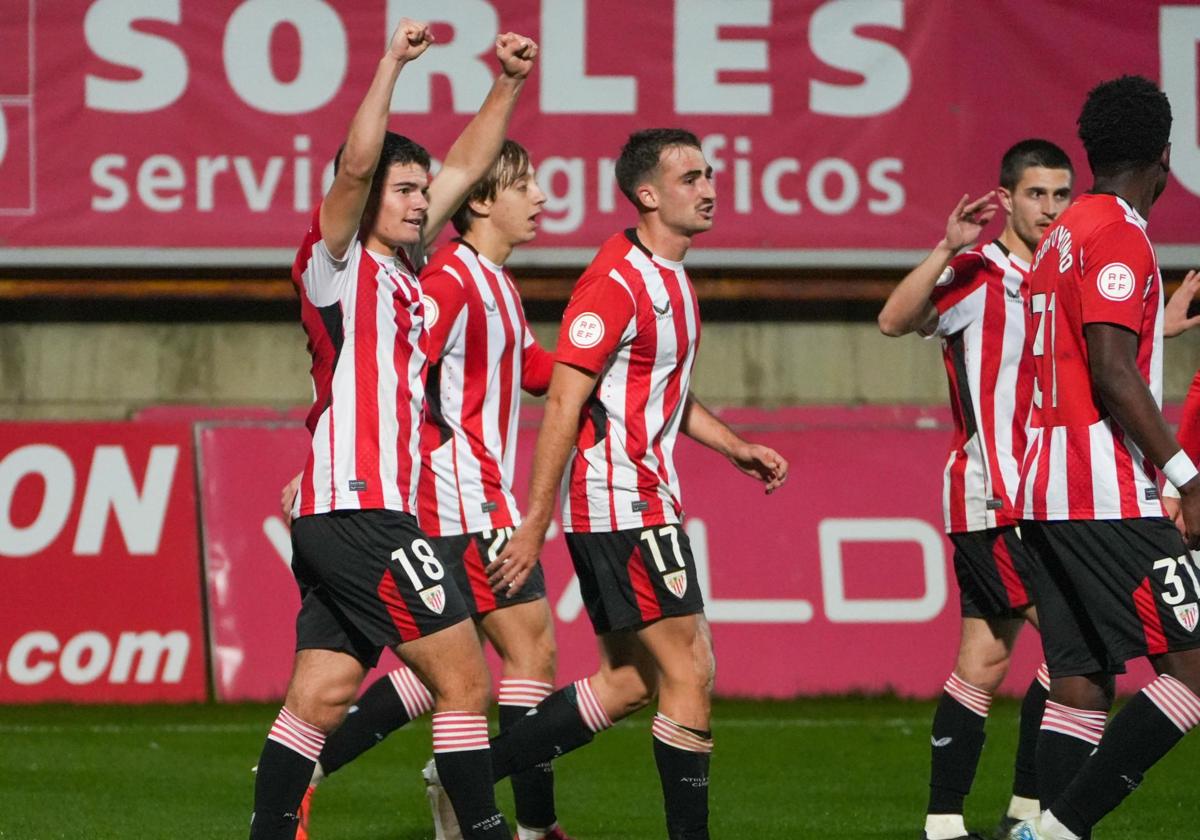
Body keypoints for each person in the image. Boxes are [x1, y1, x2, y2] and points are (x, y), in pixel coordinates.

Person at [249, 19, 538, 840]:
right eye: (405, 192)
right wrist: (391, 65)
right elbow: (355, 166)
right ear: (370, 199)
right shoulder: (337, 264)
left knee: (321, 698)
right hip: (362, 512)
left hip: (349, 514)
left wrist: (507, 83)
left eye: (422, 193)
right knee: (464, 683)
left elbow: (467, 165)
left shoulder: (408, 269)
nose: (422, 202)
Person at [461, 128, 789, 840]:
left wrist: (734, 446)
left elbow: (661, 390)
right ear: (647, 195)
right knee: (692, 667)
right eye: (690, 178)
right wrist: (535, 518)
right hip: (620, 501)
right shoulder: (614, 283)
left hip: (641, 497)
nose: (708, 189)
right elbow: (565, 400)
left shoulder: (670, 275)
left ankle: (466, 778)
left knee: (631, 682)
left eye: (709, 175)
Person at [293, 141, 573, 840]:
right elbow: (395, 369)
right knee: (522, 652)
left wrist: (613, 359)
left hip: (475, 497)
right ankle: (518, 822)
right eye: (525, 184)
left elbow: (541, 370)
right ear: (480, 199)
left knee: (450, 665)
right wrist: (327, 455)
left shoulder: (497, 283)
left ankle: (307, 768)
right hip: (454, 497)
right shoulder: (447, 278)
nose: (540, 196)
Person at [1009, 75, 1200, 840]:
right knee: (1192, 673)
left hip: (1042, 489)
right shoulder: (1120, 232)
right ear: (1165, 156)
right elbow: (1111, 367)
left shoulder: (1062, 231)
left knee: (1080, 684)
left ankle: (1057, 829)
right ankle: (1054, 833)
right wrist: (1186, 474)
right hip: (1101, 491)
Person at [878, 139, 1074, 840]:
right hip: (991, 497)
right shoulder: (977, 273)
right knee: (1076, 644)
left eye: (1059, 194)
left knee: (984, 661)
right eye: (1036, 194)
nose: (1049, 209)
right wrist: (944, 246)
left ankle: (944, 824)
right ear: (1008, 198)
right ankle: (1032, 812)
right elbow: (893, 320)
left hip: (1049, 496)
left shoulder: (1067, 279)